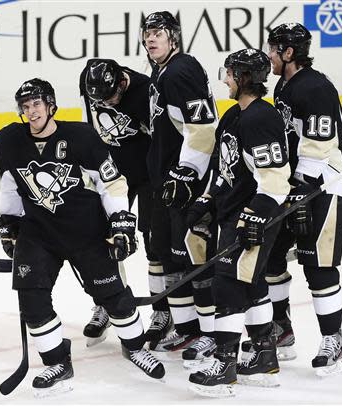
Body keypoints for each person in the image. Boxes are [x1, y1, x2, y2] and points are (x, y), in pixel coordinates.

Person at [0, 78, 165, 397]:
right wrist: (8, 222)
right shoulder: (9, 139)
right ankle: (57, 362)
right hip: (38, 233)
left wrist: (120, 222)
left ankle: (136, 347)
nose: (31, 112)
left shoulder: (80, 136)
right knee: (31, 297)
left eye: (37, 105)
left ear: (51, 105)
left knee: (114, 297)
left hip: (85, 230)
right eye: (26, 107)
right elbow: (9, 183)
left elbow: (110, 182)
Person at [186, 49, 291, 397]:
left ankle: (225, 362)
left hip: (254, 215)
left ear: (244, 77)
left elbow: (275, 178)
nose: (225, 79)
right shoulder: (234, 116)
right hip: (233, 214)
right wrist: (206, 199)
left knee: (228, 285)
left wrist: (255, 215)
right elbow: (222, 166)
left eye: (230, 73)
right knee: (252, 282)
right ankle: (263, 356)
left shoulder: (262, 118)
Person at [264, 22, 342, 376]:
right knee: (271, 254)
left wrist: (300, 192)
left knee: (318, 266)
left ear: (289, 53)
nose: (270, 54)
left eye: (274, 49)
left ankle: (334, 340)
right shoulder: (284, 84)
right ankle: (282, 328)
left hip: (328, 184)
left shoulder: (316, 87)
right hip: (299, 185)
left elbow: (319, 148)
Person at [140, 11, 219, 366]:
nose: (150, 40)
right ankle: (188, 327)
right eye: (146, 35)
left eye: (157, 33)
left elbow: (202, 128)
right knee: (172, 254)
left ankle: (212, 332)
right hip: (168, 181)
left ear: (174, 37)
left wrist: (186, 174)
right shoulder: (164, 71)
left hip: (184, 182)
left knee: (192, 255)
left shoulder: (180, 70)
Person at [79, 58, 173, 347]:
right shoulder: (90, 81)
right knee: (101, 237)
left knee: (154, 239)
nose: (106, 103)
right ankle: (108, 302)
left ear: (121, 82)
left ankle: (162, 311)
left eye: (111, 98)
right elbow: (89, 125)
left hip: (146, 175)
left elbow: (161, 138)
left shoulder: (145, 91)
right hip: (111, 175)